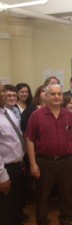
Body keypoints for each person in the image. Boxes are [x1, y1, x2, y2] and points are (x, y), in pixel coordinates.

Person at [26, 83, 72, 225]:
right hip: (44, 162)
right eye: (53, 94)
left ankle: (66, 220)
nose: (56, 97)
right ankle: (42, 221)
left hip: (66, 161)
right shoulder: (36, 115)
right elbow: (30, 140)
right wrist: (32, 163)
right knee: (43, 196)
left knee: (66, 194)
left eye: (59, 94)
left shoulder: (68, 115)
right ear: (46, 95)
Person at [0, 83, 25, 225]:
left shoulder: (9, 112)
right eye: (0, 92)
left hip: (16, 165)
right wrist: (2, 176)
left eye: (3, 90)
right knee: (5, 207)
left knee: (16, 201)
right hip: (5, 168)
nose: (3, 94)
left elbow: (16, 138)